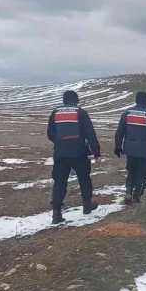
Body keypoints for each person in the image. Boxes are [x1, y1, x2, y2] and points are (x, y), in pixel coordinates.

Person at [47, 90, 101, 224]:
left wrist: (60, 143)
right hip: (79, 152)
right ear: (76, 100)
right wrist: (96, 151)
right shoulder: (81, 112)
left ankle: (56, 213)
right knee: (84, 179)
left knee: (59, 182)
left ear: (64, 100)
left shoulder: (55, 112)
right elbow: (90, 133)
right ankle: (87, 206)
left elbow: (50, 133)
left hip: (60, 153)